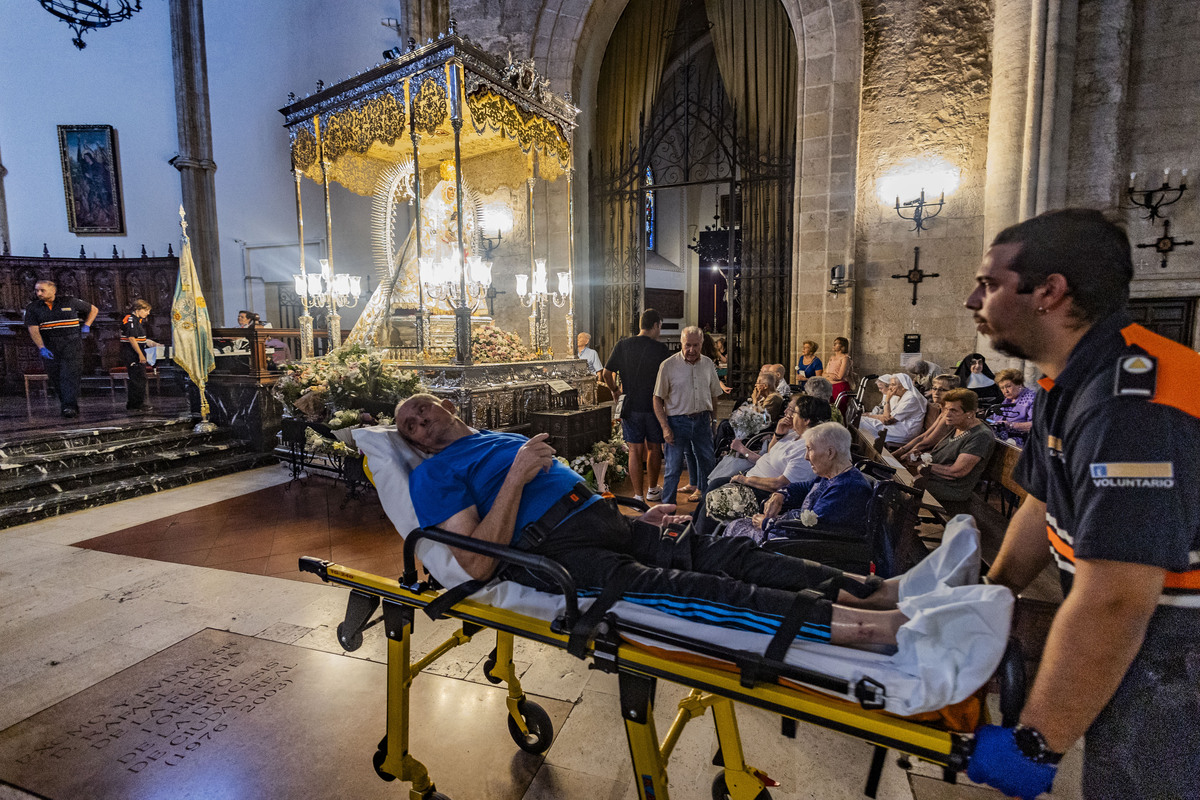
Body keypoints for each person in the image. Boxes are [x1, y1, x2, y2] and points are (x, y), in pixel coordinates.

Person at [963, 209, 1200, 800]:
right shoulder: (1065, 380)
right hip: (1143, 651)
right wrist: (989, 605)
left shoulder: (1133, 402)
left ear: (1049, 292)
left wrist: (1036, 742)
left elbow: (1115, 598)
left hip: (1179, 659)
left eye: (990, 284)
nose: (975, 299)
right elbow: (1041, 509)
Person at [396, 393, 910, 649]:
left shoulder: (498, 439)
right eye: (408, 429)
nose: (418, 426)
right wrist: (515, 478)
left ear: (448, 405)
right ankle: (866, 629)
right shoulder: (435, 474)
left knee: (729, 553)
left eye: (422, 412)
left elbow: (556, 485)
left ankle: (870, 590)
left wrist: (624, 509)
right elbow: (478, 564)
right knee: (699, 588)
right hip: (558, 552)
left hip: (603, 519)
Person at [721, 422, 873, 545]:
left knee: (737, 537)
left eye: (810, 450)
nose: (806, 457)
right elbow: (805, 486)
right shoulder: (832, 475)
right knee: (737, 526)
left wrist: (768, 524)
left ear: (830, 453)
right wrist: (780, 494)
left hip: (801, 546)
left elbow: (812, 528)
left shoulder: (847, 488)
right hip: (791, 531)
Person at [699, 395, 830, 535]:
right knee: (715, 484)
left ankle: (702, 540)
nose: (789, 415)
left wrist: (746, 480)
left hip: (764, 493)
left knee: (716, 498)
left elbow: (781, 484)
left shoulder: (807, 447)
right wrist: (778, 434)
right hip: (754, 480)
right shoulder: (794, 434)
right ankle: (696, 531)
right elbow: (771, 453)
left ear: (806, 420)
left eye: (794, 412)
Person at [602, 309, 670, 502]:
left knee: (634, 450)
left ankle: (638, 496)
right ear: (656, 325)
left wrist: (615, 390)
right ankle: (653, 490)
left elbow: (607, 373)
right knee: (654, 448)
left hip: (630, 405)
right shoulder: (660, 350)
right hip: (654, 406)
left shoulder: (623, 345)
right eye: (660, 327)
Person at [653, 326, 724, 505]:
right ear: (681, 344)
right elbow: (657, 399)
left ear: (701, 344)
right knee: (672, 468)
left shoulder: (708, 364)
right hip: (677, 422)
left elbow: (714, 395)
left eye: (696, 345)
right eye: (687, 345)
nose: (691, 350)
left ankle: (709, 508)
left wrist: (714, 421)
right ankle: (668, 508)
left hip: (702, 421)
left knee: (708, 464)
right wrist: (664, 427)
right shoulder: (668, 365)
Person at [912, 388, 995, 515]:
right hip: (936, 480)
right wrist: (920, 457)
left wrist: (923, 465)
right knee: (894, 478)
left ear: (970, 414)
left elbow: (957, 472)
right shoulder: (957, 425)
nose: (947, 414)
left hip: (953, 489)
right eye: (946, 409)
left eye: (953, 410)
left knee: (901, 486)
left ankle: (900, 529)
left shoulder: (981, 436)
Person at [24, 279, 98, 418]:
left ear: (53, 290)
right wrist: (41, 348)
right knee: (56, 376)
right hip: (50, 345)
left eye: (42, 290)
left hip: (72, 344)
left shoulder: (69, 301)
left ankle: (69, 406)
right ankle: (66, 404)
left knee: (69, 375)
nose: (38, 293)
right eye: (37, 290)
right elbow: (33, 329)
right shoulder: (33, 307)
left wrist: (87, 325)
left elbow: (93, 309)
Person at [893, 374, 959, 461]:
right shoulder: (943, 409)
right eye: (934, 388)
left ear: (952, 392)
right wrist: (900, 451)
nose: (936, 392)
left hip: (944, 457)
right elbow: (924, 435)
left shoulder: (949, 413)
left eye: (942, 390)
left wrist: (905, 455)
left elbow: (927, 442)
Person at [859, 373, 926, 447]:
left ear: (903, 386)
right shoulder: (902, 396)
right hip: (898, 426)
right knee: (861, 420)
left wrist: (887, 400)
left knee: (861, 422)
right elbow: (888, 417)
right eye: (890, 384)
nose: (890, 388)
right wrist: (870, 416)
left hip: (905, 432)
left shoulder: (911, 398)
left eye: (893, 385)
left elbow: (887, 420)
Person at [119, 299, 160, 413]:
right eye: (146, 310)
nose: (148, 313)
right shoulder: (131, 319)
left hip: (137, 353)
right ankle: (135, 404)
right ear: (138, 310)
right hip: (132, 354)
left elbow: (140, 339)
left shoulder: (138, 321)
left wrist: (154, 344)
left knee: (140, 378)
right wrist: (141, 355)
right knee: (137, 379)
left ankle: (137, 403)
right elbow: (131, 338)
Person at [987, 368, 1036, 446]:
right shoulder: (1007, 400)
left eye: (1008, 386)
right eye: (1002, 388)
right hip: (1001, 438)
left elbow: (1036, 425)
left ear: (1019, 384)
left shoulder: (1031, 399)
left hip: (1022, 440)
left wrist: (1011, 425)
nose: (1005, 391)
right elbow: (994, 419)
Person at [824, 336, 854, 405]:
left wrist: (829, 375)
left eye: (836, 343)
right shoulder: (832, 358)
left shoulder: (845, 358)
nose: (834, 345)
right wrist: (830, 375)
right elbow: (824, 373)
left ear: (842, 346)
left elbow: (839, 377)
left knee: (840, 408)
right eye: (834, 343)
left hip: (840, 386)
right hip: (829, 386)